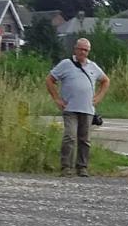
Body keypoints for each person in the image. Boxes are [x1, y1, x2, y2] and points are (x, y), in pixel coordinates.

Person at [46, 38, 110, 177]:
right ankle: (66, 167)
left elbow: (105, 81)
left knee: (84, 139)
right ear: (75, 49)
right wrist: (57, 98)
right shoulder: (66, 64)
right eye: (81, 49)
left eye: (86, 50)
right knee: (70, 136)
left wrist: (99, 97)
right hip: (70, 108)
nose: (83, 52)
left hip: (87, 109)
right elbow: (50, 80)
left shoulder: (93, 66)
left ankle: (82, 167)